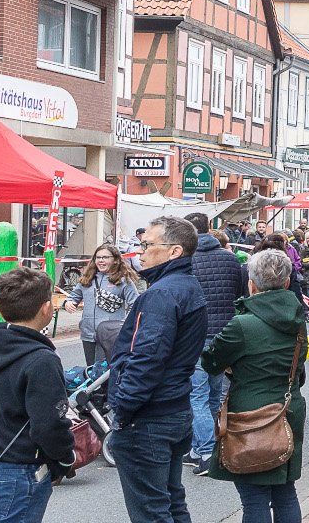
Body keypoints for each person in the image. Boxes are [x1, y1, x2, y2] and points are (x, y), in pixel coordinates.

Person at [109, 215, 209, 523]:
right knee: (169, 502)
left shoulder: (163, 293)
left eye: (147, 244)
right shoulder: (183, 286)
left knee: (153, 511)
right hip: (171, 409)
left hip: (150, 416)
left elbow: (148, 357)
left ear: (174, 251)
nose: (140, 251)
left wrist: (124, 409)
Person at [200, 249, 307, 523]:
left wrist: (233, 366)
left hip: (250, 412)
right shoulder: (297, 321)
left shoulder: (242, 324)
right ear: (286, 283)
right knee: (285, 492)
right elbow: (298, 365)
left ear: (252, 284)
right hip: (287, 407)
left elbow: (211, 362)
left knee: (254, 498)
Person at [0, 267, 76, 523]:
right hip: (21, 466)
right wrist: (64, 458)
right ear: (46, 309)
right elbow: (49, 423)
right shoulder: (40, 359)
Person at [186, 214, 246, 470]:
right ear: (210, 229)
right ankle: (204, 447)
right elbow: (239, 294)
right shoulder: (230, 259)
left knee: (197, 395)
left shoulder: (186, 260)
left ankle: (207, 452)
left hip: (197, 334)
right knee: (213, 394)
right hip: (225, 334)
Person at [70, 241, 142, 367]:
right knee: (91, 370)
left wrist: (123, 325)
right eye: (98, 257)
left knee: (103, 373)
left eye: (105, 257)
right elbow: (74, 295)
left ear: (115, 260)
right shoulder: (87, 278)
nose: (101, 261)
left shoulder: (124, 280)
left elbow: (134, 304)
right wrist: (70, 302)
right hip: (87, 334)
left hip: (109, 336)